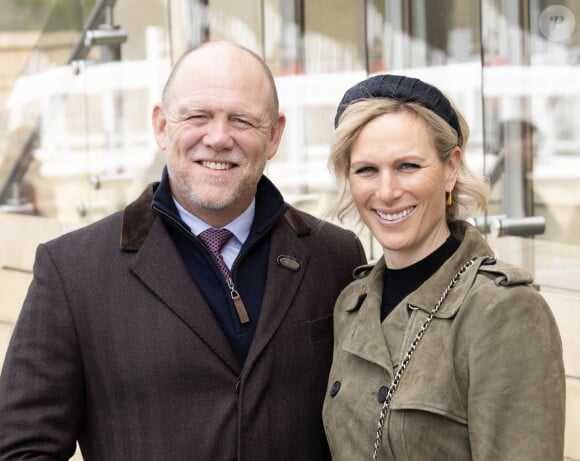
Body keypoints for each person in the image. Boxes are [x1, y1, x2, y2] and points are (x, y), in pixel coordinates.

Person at [0, 41, 367, 461]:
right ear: (161, 126)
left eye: (242, 120)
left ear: (274, 134)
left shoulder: (337, 258)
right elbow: (22, 449)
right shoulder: (71, 271)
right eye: (198, 116)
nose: (218, 137)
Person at [321, 74, 565, 460]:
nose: (386, 191)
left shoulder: (501, 311)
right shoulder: (351, 304)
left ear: (451, 168)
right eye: (366, 170)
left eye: (407, 166)